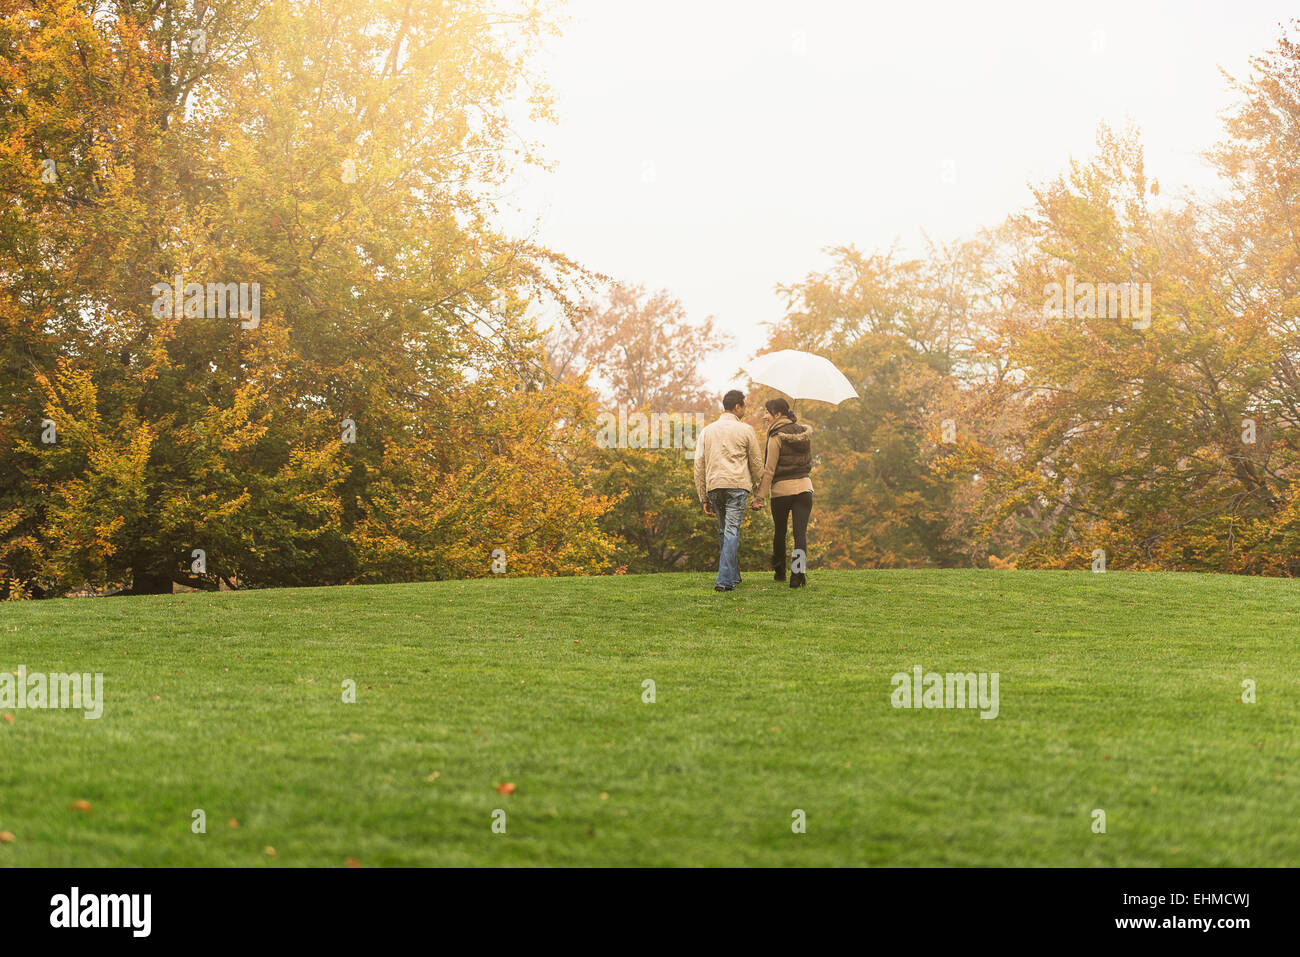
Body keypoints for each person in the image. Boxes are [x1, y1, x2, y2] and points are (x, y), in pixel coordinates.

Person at [693, 389, 763, 592]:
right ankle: (724, 580)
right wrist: (759, 491)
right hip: (737, 485)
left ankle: (733, 574)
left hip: (714, 486)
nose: (745, 409)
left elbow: (699, 464)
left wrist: (703, 496)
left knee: (725, 531)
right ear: (737, 407)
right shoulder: (746, 430)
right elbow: (756, 462)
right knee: (731, 530)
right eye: (744, 405)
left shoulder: (707, 431)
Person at [751, 396, 813, 588]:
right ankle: (798, 574)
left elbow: (769, 470)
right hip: (804, 488)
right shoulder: (804, 433)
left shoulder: (776, 436)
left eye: (767, 412)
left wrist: (759, 497)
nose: (765, 416)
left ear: (778, 414)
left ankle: (779, 571)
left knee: (780, 532)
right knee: (800, 534)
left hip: (782, 491)